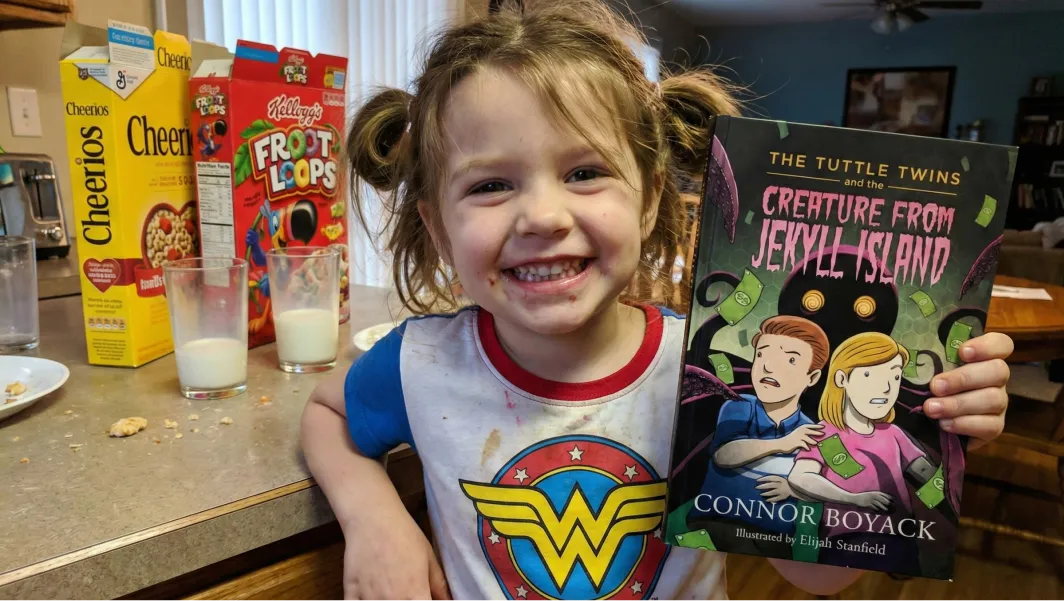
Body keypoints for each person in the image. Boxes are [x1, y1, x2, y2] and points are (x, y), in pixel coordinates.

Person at [299, 1, 1014, 598]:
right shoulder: (419, 363)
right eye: (490, 185)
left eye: (584, 172)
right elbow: (327, 414)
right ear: (437, 227)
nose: (542, 215)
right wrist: (372, 516)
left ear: (647, 200)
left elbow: (816, 573)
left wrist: (935, 431)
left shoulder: (711, 375)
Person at [788, 332, 945, 573]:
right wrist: (854, 498)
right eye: (871, 375)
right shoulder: (824, 433)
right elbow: (800, 477)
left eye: (895, 377)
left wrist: (954, 460)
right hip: (845, 542)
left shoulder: (893, 433)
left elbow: (927, 476)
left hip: (899, 539)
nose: (886, 388)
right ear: (842, 379)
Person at [687, 316, 828, 554]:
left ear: (812, 378)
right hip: (718, 524)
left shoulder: (812, 430)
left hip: (775, 538)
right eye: (762, 354)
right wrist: (782, 443)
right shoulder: (739, 406)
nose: (768, 366)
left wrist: (794, 490)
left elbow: (823, 486)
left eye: (790, 360)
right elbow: (723, 455)